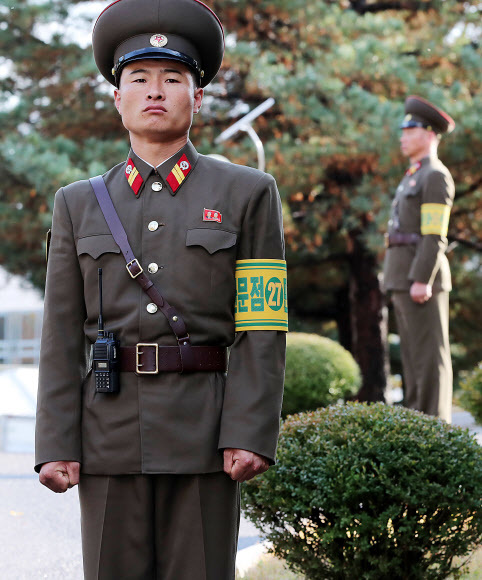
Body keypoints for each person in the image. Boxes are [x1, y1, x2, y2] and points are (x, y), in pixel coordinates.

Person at [34, 1, 287, 578]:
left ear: (197, 98)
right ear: (117, 97)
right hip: (107, 435)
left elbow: (261, 325)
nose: (156, 91)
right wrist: (56, 441)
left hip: (204, 437)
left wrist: (249, 432)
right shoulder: (77, 203)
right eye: (139, 79)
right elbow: (59, 333)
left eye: (174, 79)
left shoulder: (247, 193)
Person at [383, 95, 455, 423]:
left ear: (428, 134)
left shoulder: (435, 176)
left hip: (419, 280)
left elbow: (434, 234)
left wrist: (422, 278)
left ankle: (435, 429)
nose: (402, 136)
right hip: (403, 277)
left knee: (428, 360)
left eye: (409, 130)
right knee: (413, 360)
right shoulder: (413, 175)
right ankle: (418, 425)